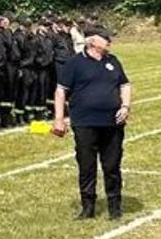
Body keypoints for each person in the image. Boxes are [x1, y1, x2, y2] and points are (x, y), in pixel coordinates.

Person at [53, 28, 132, 220]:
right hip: (85, 123)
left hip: (112, 124)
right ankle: (88, 207)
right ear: (93, 41)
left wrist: (125, 106)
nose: (109, 43)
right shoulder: (75, 63)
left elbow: (125, 85)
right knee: (86, 166)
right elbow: (61, 91)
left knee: (112, 166)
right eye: (106, 40)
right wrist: (59, 119)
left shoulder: (113, 61)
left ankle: (115, 207)